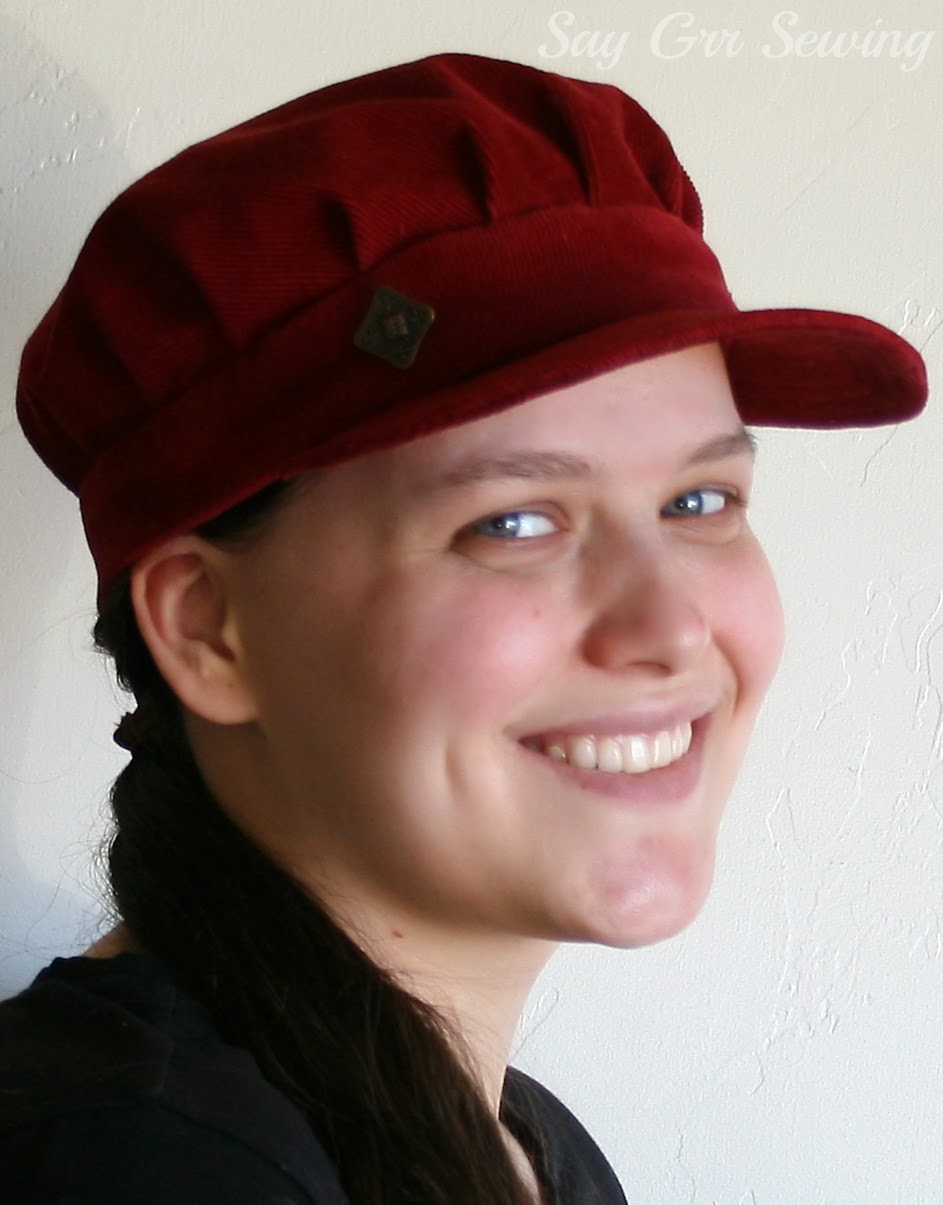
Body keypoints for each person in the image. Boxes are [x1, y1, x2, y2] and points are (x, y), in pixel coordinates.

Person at [0, 51, 926, 1205]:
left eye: (699, 501)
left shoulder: (516, 1140)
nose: (671, 626)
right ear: (207, 629)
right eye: (516, 521)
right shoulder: (135, 1166)